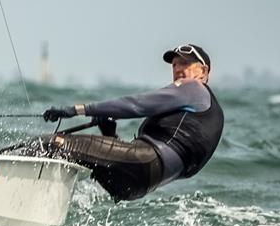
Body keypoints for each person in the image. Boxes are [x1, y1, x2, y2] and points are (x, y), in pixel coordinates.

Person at [32, 43, 224, 202]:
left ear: (203, 70)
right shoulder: (201, 109)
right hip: (140, 183)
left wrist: (78, 110)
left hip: (144, 162)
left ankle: (6, 174)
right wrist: (109, 135)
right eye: (174, 64)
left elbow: (137, 105)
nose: (178, 69)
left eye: (185, 63)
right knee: (72, 154)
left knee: (52, 144)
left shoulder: (194, 89)